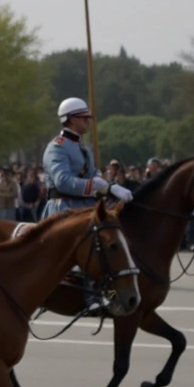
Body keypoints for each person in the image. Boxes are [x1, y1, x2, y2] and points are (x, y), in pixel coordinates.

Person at [41, 97, 131, 314]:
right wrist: (95, 185)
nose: (87, 122)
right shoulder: (56, 148)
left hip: (86, 206)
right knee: (88, 246)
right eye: (83, 118)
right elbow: (63, 181)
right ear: (70, 119)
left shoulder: (84, 148)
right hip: (64, 207)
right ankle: (88, 296)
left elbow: (93, 178)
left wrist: (110, 188)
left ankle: (109, 290)